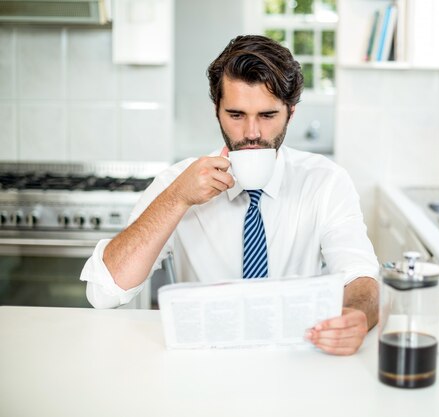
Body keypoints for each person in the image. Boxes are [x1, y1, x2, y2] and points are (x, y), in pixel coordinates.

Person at [80, 35, 379, 356]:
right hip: (201, 362)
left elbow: (360, 276)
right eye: (236, 115)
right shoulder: (176, 182)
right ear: (217, 111)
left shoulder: (325, 180)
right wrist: (177, 198)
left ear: (290, 113)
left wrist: (356, 316)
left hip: (297, 359)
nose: (252, 133)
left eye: (267, 116)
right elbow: (104, 292)